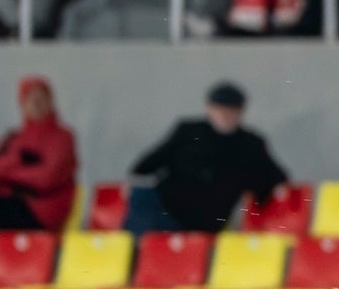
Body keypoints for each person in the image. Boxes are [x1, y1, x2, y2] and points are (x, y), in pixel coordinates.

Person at [124, 81, 291, 233]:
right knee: (141, 197)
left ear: (240, 112)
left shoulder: (250, 144)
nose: (224, 114)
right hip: (165, 207)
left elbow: (274, 178)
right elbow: (148, 163)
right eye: (219, 108)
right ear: (209, 108)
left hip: (203, 221)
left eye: (230, 110)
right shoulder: (189, 131)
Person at [0, 76, 78, 235]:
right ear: (22, 103)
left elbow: (46, 178)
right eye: (30, 99)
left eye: (41, 98)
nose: (36, 103)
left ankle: (2, 253)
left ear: (50, 101)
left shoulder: (62, 137)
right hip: (13, 201)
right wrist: (16, 162)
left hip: (42, 210)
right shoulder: (13, 137)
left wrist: (7, 175)